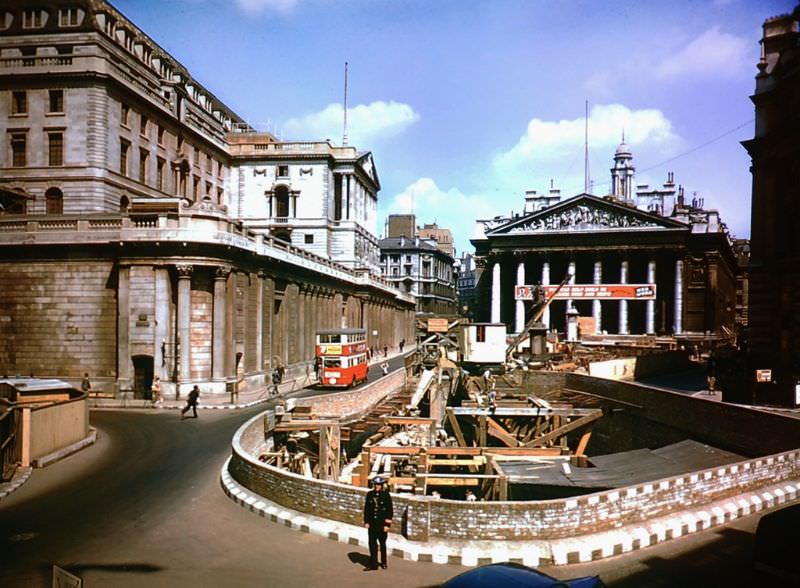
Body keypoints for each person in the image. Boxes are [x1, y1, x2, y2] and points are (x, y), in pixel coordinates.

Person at [363, 476, 393, 570]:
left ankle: (384, 562)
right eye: (375, 484)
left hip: (381, 524)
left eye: (379, 485)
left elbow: (389, 510)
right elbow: (367, 509)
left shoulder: (386, 495)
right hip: (372, 524)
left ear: (381, 485)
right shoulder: (370, 494)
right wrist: (366, 521)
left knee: (382, 544)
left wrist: (387, 525)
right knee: (372, 544)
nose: (377, 486)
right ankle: (373, 564)